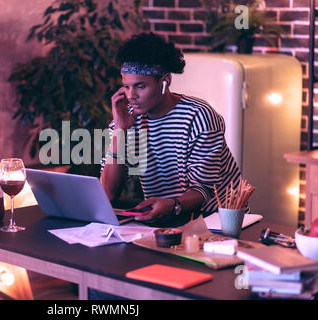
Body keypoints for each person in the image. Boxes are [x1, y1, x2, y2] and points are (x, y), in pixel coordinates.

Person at [100, 33, 244, 227]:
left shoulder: (199, 116)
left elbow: (203, 190)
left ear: (165, 81)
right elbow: (108, 192)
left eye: (140, 86)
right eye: (126, 86)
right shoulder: (126, 118)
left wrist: (172, 205)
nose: (131, 95)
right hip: (165, 221)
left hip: (216, 223)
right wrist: (120, 130)